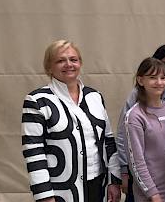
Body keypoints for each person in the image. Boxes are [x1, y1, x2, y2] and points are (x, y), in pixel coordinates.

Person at [22, 40, 122, 202]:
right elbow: (33, 152)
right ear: (49, 67)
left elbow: (108, 142)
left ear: (80, 63)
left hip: (99, 185)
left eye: (73, 59)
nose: (68, 64)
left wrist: (114, 181)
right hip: (61, 191)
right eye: (60, 60)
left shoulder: (94, 96)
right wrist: (44, 195)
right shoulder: (37, 101)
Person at [117, 45, 165, 199]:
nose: (159, 82)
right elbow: (136, 162)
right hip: (150, 195)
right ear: (140, 80)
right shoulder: (135, 116)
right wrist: (153, 194)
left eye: (163, 78)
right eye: (152, 77)